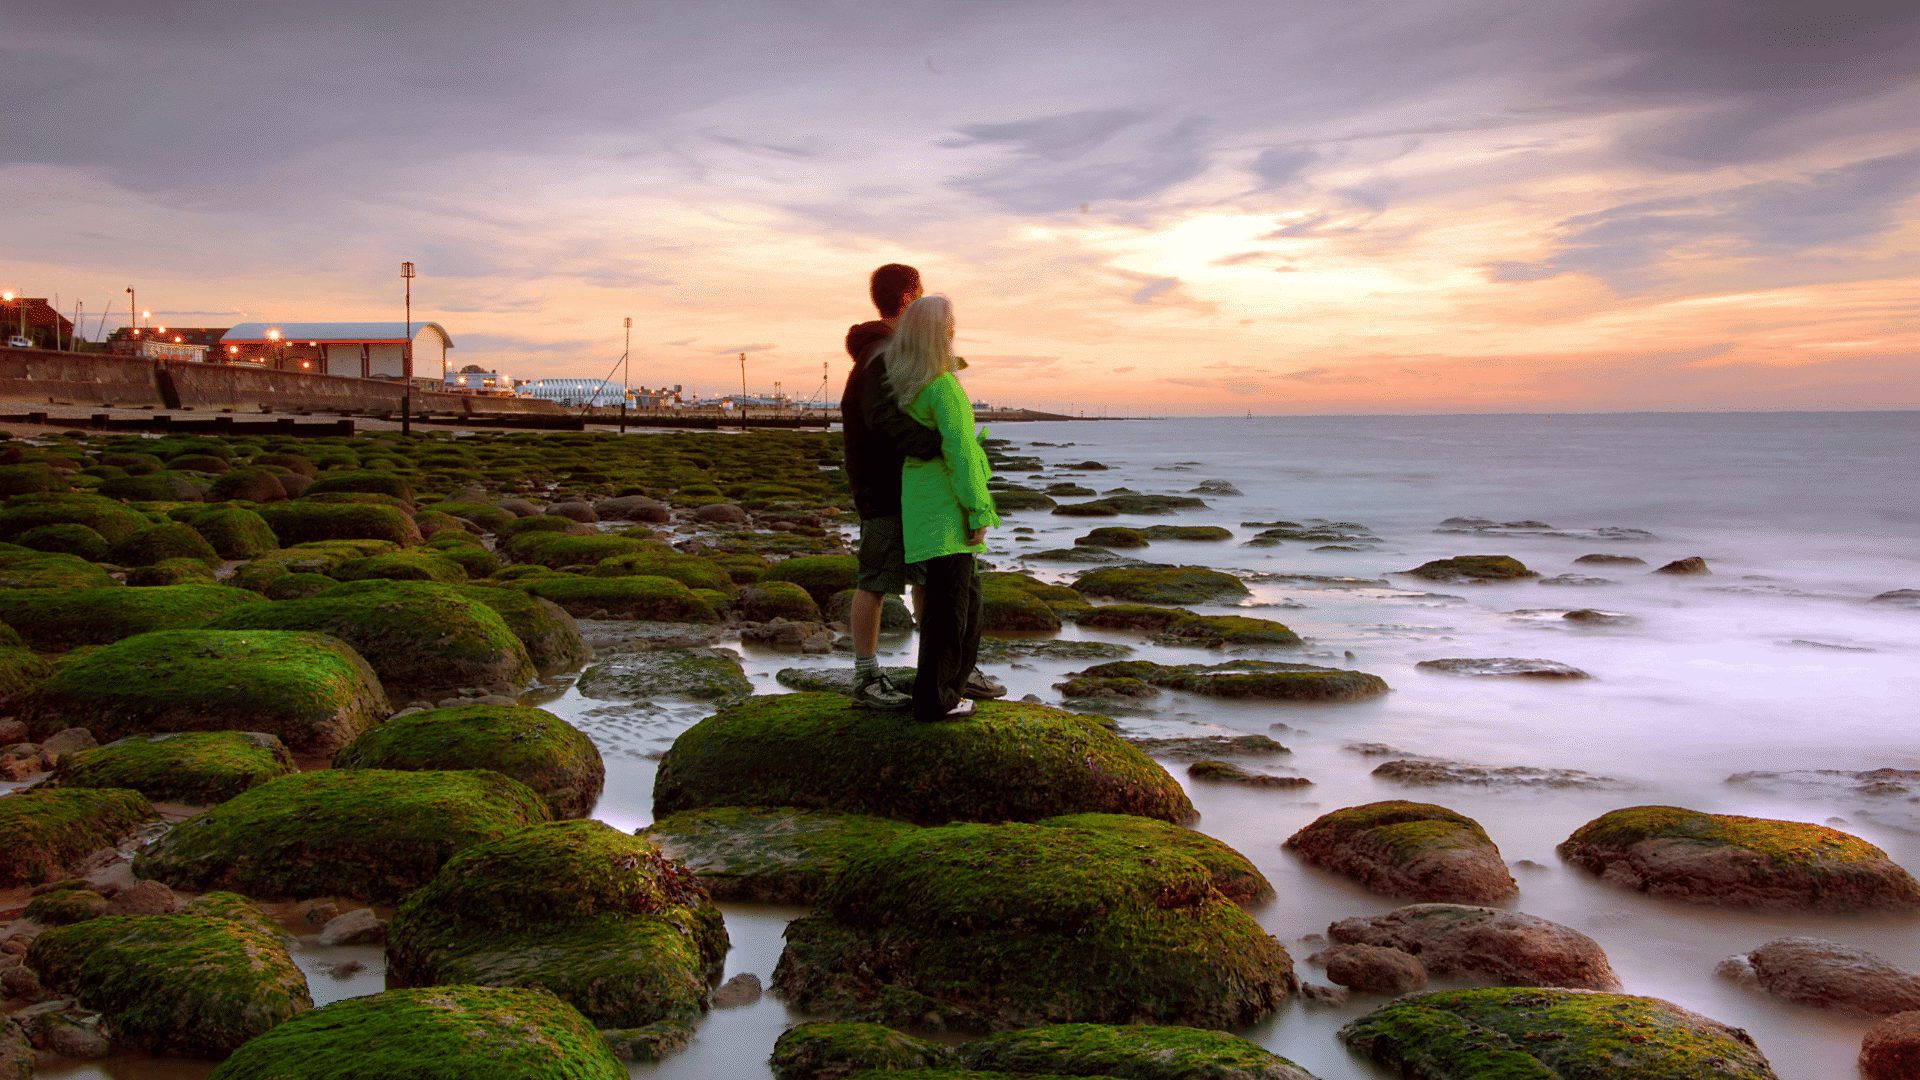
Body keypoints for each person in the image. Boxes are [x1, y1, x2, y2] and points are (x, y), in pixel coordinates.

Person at [842, 265, 1005, 708]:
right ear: (910, 297)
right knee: (876, 580)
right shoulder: (880, 353)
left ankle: (947, 671)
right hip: (886, 489)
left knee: (930, 580)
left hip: (911, 489)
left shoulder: (895, 352)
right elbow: (884, 420)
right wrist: (942, 445)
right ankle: (867, 677)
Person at [884, 295, 999, 721]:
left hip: (925, 507)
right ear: (941, 333)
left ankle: (946, 690)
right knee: (951, 612)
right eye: (950, 325)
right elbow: (962, 453)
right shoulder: (943, 386)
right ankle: (935, 700)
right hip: (947, 511)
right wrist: (978, 512)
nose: (954, 330)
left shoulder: (911, 386)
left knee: (961, 605)